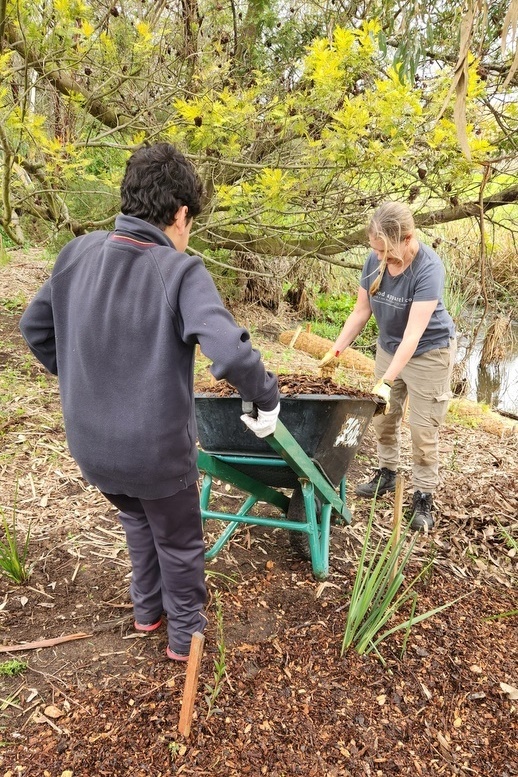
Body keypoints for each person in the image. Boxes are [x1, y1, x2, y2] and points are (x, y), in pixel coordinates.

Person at [20, 143, 280, 661]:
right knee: (180, 543)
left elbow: (35, 329)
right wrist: (265, 398)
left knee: (138, 516)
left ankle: (147, 611)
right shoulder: (178, 271)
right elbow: (228, 350)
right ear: (179, 214)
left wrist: (80, 379)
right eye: (189, 224)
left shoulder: (77, 254)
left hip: (91, 447)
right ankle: (185, 642)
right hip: (155, 454)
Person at [320, 201, 456, 531]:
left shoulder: (428, 269)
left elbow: (413, 334)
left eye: (386, 252)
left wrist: (387, 379)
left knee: (423, 432)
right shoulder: (374, 259)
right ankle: (386, 472)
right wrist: (335, 351)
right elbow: (360, 311)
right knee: (383, 418)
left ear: (408, 239)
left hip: (429, 353)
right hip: (388, 348)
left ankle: (423, 496)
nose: (379, 258)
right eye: (376, 250)